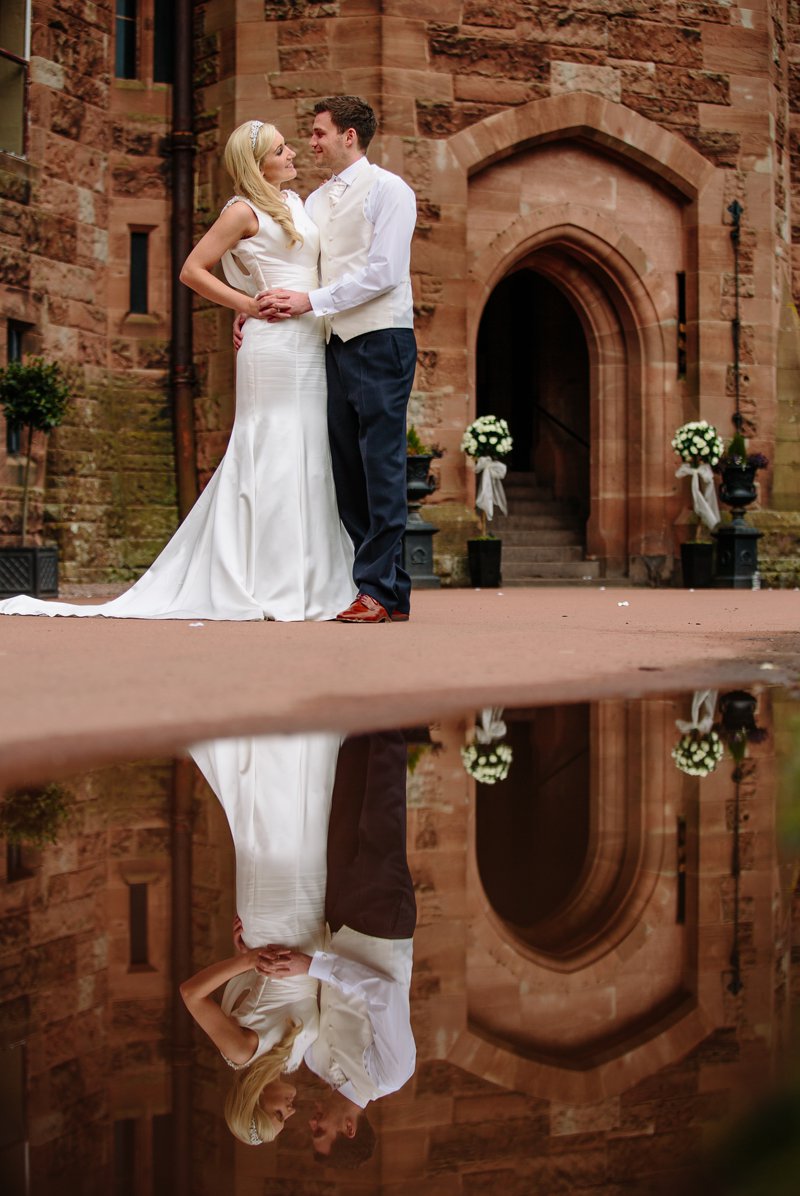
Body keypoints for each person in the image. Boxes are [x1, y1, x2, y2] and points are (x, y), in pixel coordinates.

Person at [0, 120, 354, 621]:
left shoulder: (296, 202)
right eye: (281, 149)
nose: (293, 152)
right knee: (270, 443)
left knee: (310, 446)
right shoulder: (241, 210)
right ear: (257, 164)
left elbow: (312, 271)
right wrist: (247, 306)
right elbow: (192, 269)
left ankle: (312, 576)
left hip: (309, 336)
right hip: (272, 345)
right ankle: (262, 577)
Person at [239, 96, 418, 624]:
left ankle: (378, 591)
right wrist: (256, 303)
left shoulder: (391, 191)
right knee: (347, 469)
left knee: (381, 464)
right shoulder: (313, 201)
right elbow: (300, 267)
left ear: (349, 136)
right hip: (332, 344)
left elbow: (385, 271)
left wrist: (310, 302)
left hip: (382, 339)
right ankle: (392, 589)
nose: (311, 143)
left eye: (319, 133)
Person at [260, 730, 417, 1167]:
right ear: (349, 1129)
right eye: (319, 1132)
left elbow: (299, 997)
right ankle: (394, 701)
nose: (310, 1122)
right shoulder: (392, 1073)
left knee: (344, 802)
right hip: (383, 922)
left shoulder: (312, 1060)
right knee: (383, 802)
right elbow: (384, 993)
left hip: (339, 922)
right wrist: (312, 965)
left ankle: (353, 716)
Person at [184, 731, 343, 1144]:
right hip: (307, 924)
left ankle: (269, 734)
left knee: (271, 829)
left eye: (277, 1115)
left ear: (254, 1099)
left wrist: (247, 960)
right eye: (286, 1119)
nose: (290, 1113)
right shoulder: (291, 1060)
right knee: (306, 825)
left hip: (272, 923)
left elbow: (191, 995)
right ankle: (308, 734)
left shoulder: (240, 1053)